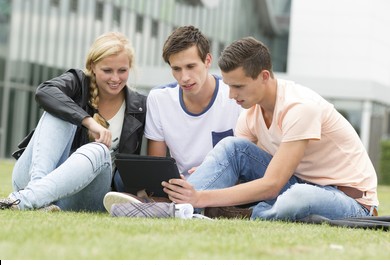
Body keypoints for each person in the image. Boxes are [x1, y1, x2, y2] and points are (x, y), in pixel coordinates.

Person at [161, 36, 379, 221]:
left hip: (349, 200)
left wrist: (201, 196)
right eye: (228, 86)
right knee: (231, 147)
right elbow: (238, 168)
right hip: (296, 183)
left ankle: (248, 213)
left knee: (299, 197)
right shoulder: (249, 113)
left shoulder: (300, 108)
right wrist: (210, 171)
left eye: (238, 86)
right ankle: (177, 209)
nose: (231, 95)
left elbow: (272, 185)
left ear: (264, 76)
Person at [0, 32, 146, 212]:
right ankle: (38, 197)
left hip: (85, 193)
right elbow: (44, 92)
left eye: (122, 70)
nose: (115, 78)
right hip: (30, 177)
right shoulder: (78, 83)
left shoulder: (139, 107)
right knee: (59, 110)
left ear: (130, 68)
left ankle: (27, 199)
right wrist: (88, 122)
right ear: (92, 66)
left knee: (100, 150)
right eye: (107, 70)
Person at [112, 25, 241, 193]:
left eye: (191, 66)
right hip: (178, 184)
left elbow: (243, 158)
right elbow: (157, 165)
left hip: (222, 183)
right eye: (176, 69)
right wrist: (168, 182)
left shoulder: (234, 96)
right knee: (122, 178)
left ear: (208, 61)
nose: (184, 77)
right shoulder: (159, 99)